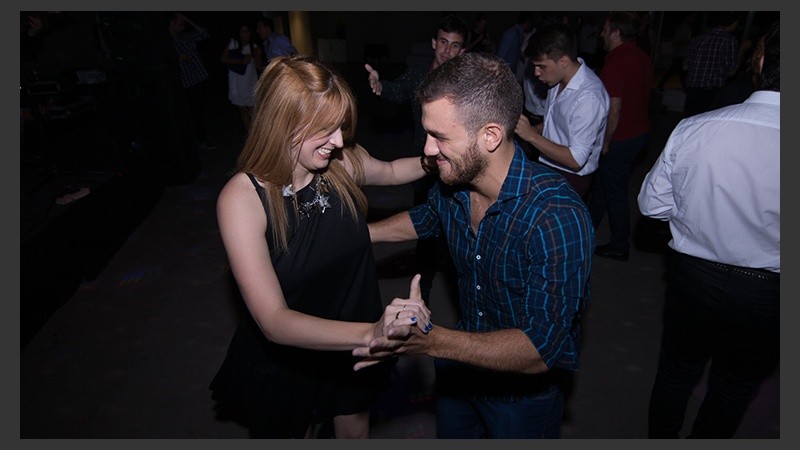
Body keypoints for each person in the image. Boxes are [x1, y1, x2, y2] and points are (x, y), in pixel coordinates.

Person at [357, 52, 595, 439]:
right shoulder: (454, 185)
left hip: (521, 400)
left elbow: (539, 348)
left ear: (490, 135)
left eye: (440, 137)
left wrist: (432, 341)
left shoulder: (556, 216)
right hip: (460, 373)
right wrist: (359, 234)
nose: (428, 150)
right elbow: (426, 219)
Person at [208, 55, 433, 439]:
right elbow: (275, 321)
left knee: (353, 430)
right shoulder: (242, 200)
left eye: (340, 127)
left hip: (350, 336)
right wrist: (371, 333)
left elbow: (393, 171)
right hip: (291, 355)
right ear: (284, 126)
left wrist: (444, 155)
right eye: (326, 130)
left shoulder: (339, 164)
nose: (340, 141)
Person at [638, 21, 779, 439]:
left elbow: (651, 204)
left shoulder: (698, 127)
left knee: (676, 373)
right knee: (733, 387)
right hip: (767, 292)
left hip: (694, 278)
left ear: (758, 60)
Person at [363, 13, 468, 302]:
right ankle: (423, 290)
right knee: (425, 229)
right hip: (422, 168)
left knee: (458, 227)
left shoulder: (465, 86)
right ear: (434, 42)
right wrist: (380, 85)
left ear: (463, 50)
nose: (447, 50)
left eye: (455, 45)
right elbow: (396, 91)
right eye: (443, 42)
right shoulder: (419, 77)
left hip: (458, 169)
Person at [514, 22, 609, 201]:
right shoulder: (556, 80)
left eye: (541, 66)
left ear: (564, 61)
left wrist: (532, 137)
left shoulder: (589, 97)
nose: (536, 72)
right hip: (549, 164)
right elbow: (558, 122)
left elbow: (576, 159)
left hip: (570, 177)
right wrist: (534, 129)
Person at [588, 12, 653, 262]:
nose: (602, 34)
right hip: (640, 132)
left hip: (622, 136)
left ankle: (619, 244)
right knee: (604, 185)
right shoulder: (641, 55)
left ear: (615, 32)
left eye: (605, 29)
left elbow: (614, 108)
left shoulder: (616, 60)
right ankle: (588, 228)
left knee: (614, 191)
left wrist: (604, 143)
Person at [168, 12, 215, 150]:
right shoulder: (167, 43)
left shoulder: (185, 37)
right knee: (190, 115)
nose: (183, 27)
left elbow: (204, 33)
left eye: (184, 24)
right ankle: (196, 143)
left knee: (199, 112)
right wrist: (177, 60)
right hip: (184, 84)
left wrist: (186, 19)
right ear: (172, 24)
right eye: (180, 24)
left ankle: (202, 141)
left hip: (198, 79)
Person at [683, 12, 741, 117]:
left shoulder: (697, 38)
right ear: (734, 23)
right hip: (711, 90)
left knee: (690, 120)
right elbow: (732, 71)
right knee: (706, 121)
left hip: (692, 88)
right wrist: (742, 52)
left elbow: (686, 66)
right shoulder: (729, 40)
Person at [220, 23, 260, 132]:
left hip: (250, 80)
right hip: (237, 80)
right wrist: (241, 61)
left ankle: (255, 133)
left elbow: (257, 65)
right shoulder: (234, 43)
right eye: (243, 32)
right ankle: (249, 132)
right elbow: (223, 59)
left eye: (247, 31)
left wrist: (257, 55)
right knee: (243, 109)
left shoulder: (253, 45)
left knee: (253, 109)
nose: (246, 34)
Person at [495, 12, 535, 76]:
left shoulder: (519, 34)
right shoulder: (512, 33)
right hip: (505, 72)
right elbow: (500, 55)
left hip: (510, 71)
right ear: (527, 22)